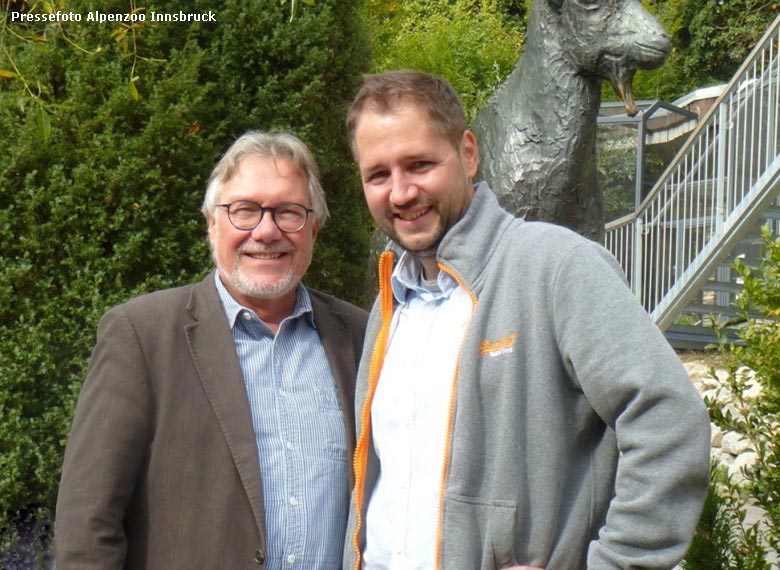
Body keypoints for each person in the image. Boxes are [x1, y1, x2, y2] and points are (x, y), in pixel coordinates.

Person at [343, 70, 710, 570]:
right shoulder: (390, 307)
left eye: (420, 164)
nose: (401, 193)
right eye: (378, 175)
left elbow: (670, 421)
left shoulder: (556, 266)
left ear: (468, 154)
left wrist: (615, 563)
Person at [55, 131, 368, 569]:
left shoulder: (360, 335)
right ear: (212, 224)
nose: (266, 230)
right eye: (244, 210)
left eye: (288, 212)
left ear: (313, 228)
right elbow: (86, 528)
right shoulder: (143, 335)